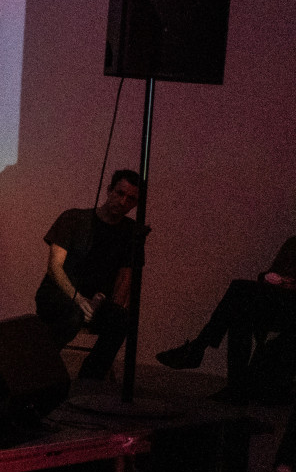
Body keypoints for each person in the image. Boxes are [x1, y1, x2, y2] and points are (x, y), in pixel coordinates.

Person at [155, 235, 296, 402]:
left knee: (239, 291)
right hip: (279, 302)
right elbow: (270, 274)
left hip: (290, 308)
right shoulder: (293, 243)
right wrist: (272, 279)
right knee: (239, 313)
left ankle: (198, 348)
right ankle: (233, 386)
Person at [34, 169, 144, 380]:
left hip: (96, 302)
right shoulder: (74, 218)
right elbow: (54, 267)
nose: (123, 202)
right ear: (109, 190)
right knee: (73, 315)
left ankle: (90, 378)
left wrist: (112, 307)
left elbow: (126, 277)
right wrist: (78, 299)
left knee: (121, 319)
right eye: (120, 193)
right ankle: (41, 369)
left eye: (130, 199)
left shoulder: (131, 232)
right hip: (59, 295)